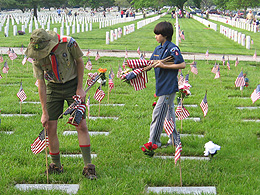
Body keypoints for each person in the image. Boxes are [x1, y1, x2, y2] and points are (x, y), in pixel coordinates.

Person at [25, 29, 97, 179]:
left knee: (81, 124)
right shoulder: (36, 55)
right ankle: (55, 165)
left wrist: (79, 88)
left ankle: (88, 166)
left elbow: (79, 62)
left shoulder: (68, 43)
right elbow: (41, 83)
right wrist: (44, 112)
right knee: (50, 126)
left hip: (72, 85)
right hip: (53, 87)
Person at [148, 21, 186, 149]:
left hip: (168, 87)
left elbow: (182, 64)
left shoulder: (172, 48)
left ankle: (153, 143)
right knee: (169, 114)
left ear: (165, 35)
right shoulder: (158, 48)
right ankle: (175, 141)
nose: (155, 36)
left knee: (158, 114)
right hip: (161, 85)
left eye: (157, 34)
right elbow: (151, 63)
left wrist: (165, 65)